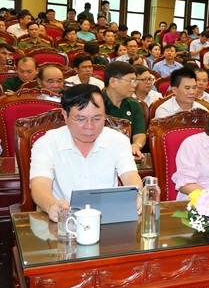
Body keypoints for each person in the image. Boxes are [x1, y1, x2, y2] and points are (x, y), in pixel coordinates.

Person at [29, 84, 142, 221]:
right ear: (65, 115)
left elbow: (130, 175)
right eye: (81, 119)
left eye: (97, 118)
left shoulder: (118, 141)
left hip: (107, 219)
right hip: (63, 221)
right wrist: (51, 205)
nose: (89, 126)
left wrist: (138, 195)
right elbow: (39, 184)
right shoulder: (46, 143)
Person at [102, 61, 147, 160]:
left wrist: (136, 145)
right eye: (130, 80)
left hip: (125, 157)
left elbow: (140, 134)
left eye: (135, 81)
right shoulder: (95, 104)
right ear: (113, 82)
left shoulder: (134, 105)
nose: (134, 85)